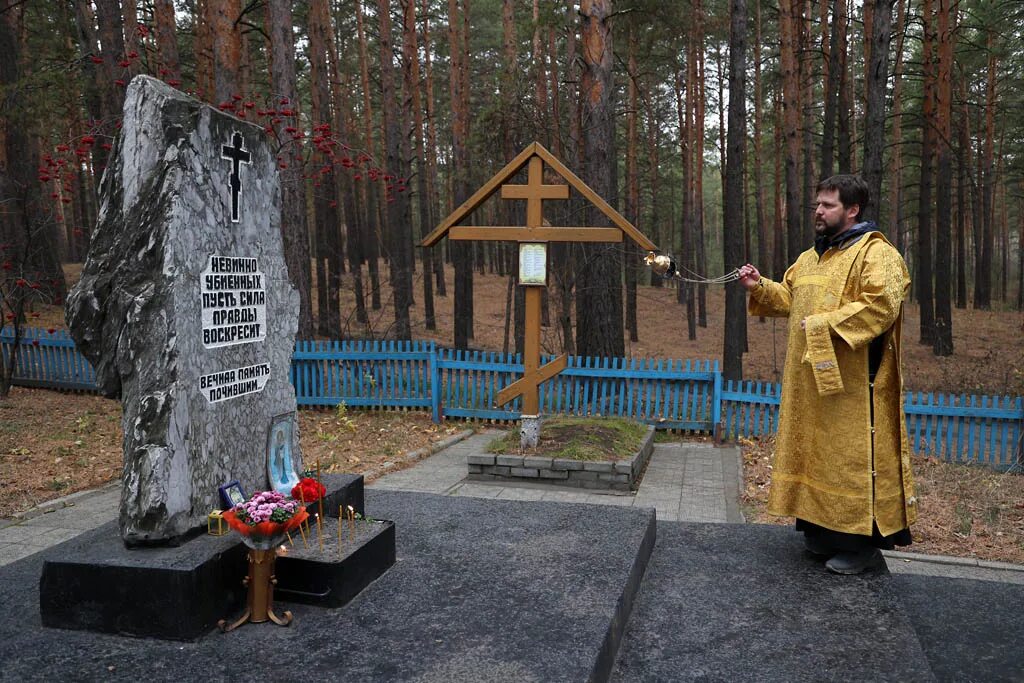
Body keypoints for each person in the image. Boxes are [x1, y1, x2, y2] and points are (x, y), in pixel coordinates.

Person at [737, 174, 917, 575]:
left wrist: (822, 326)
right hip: (810, 382)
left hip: (855, 385)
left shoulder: (877, 254)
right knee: (815, 456)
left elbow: (882, 304)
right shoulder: (810, 257)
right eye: (817, 204)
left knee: (850, 459)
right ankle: (821, 534)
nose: (818, 211)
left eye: (828, 205)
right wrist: (758, 286)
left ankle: (861, 548)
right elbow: (788, 297)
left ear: (852, 210)